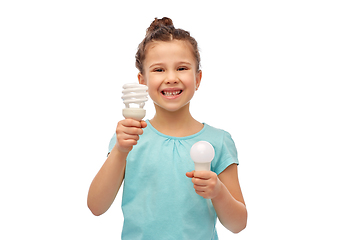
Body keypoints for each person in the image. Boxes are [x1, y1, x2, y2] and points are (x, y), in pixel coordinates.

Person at [87, 17, 247, 240]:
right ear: (142, 81)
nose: (171, 78)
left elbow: (238, 224)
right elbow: (96, 206)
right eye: (159, 70)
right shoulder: (128, 139)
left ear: (197, 78)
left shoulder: (218, 141)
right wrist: (120, 151)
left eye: (181, 68)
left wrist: (218, 192)